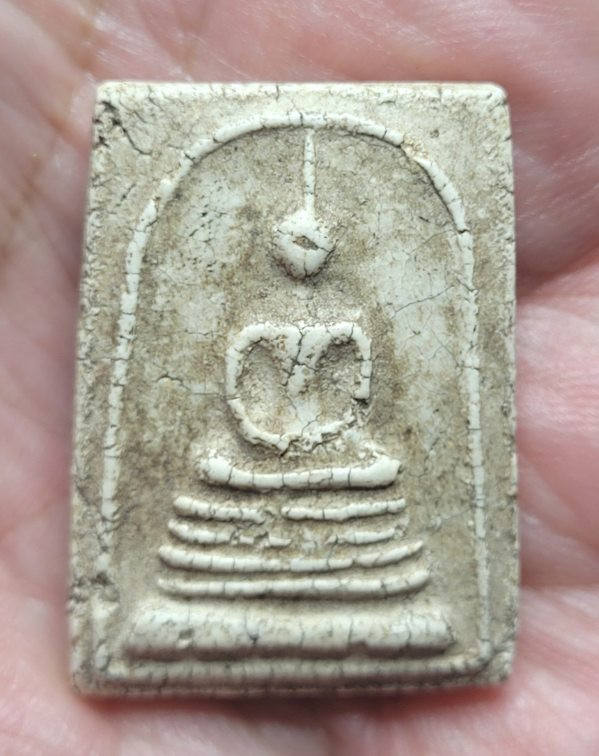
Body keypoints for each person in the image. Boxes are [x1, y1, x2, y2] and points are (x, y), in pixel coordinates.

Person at [0, 1, 597, 753]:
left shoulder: (341, 329)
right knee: (224, 473)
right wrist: (270, 430)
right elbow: (244, 393)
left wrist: (321, 430)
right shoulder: (258, 333)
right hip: (262, 455)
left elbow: (351, 396)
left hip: (331, 454)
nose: (303, 258)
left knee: (365, 473)